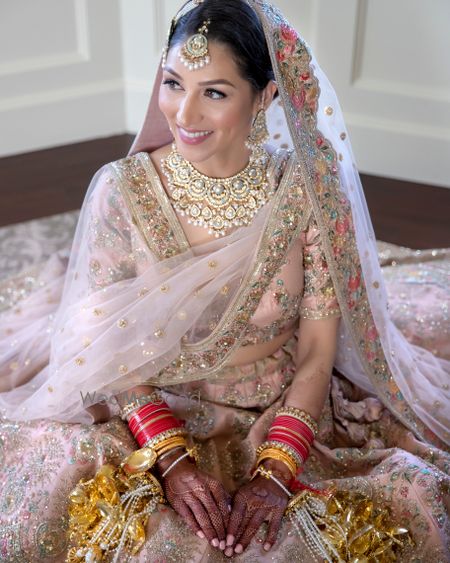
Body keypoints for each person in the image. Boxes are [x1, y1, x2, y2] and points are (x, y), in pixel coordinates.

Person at [0, 0, 449, 561]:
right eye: (171, 83)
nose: (183, 113)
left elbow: (316, 351)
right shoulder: (123, 191)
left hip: (280, 401)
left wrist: (280, 468)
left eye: (214, 92)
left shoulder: (308, 193)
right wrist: (172, 459)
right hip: (147, 399)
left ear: (265, 97)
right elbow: (111, 351)